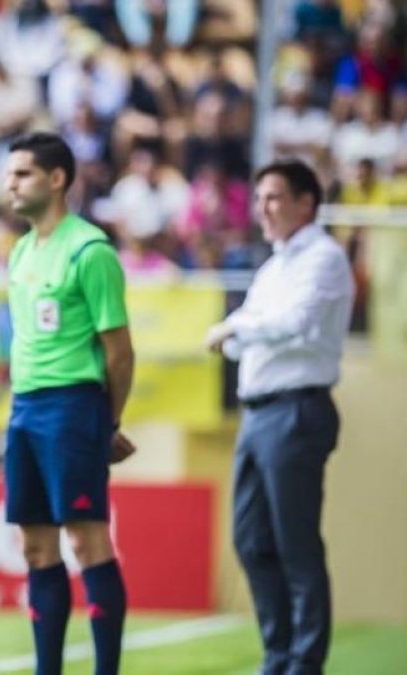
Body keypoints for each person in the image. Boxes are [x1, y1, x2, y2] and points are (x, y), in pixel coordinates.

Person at [203, 159, 353, 675]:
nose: (262, 209)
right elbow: (247, 339)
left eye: (274, 197)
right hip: (260, 411)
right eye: (261, 197)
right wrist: (237, 330)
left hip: (297, 408)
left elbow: (294, 322)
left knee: (295, 543)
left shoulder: (324, 257)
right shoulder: (273, 267)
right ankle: (280, 654)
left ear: (306, 203)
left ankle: (303, 663)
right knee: (250, 539)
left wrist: (233, 326)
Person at [1, 132, 136, 675]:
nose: (10, 184)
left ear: (57, 179)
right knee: (36, 548)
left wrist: (107, 420)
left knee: (87, 541)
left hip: (73, 406)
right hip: (24, 409)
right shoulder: (20, 249)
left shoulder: (91, 250)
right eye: (9, 175)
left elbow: (120, 353)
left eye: (22, 174)